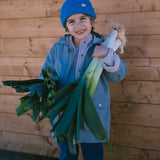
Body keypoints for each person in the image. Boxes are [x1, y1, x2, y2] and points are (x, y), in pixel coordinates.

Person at [39, 0, 128, 159]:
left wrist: (107, 54)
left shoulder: (103, 45)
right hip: (64, 114)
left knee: (93, 155)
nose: (78, 25)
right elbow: (46, 73)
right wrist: (52, 97)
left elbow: (118, 75)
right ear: (66, 27)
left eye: (83, 19)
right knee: (67, 155)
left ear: (92, 21)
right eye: (71, 21)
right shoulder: (58, 49)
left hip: (92, 116)